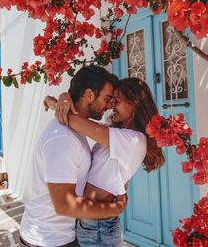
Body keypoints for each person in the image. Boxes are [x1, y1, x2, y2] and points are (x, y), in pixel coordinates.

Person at [45, 77, 165, 247]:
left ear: (134, 104)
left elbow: (75, 121)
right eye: (111, 100)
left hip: (100, 228)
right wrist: (63, 97)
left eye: (117, 100)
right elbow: (79, 116)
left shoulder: (135, 140)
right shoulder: (117, 132)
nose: (111, 106)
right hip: (90, 223)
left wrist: (56, 105)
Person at [19, 66, 127, 247]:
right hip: (47, 239)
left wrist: (56, 100)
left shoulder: (76, 127)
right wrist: (115, 208)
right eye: (107, 98)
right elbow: (64, 205)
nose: (109, 106)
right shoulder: (63, 138)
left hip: (59, 235)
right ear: (89, 95)